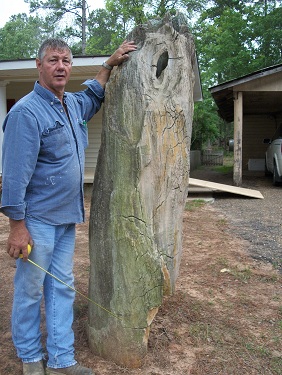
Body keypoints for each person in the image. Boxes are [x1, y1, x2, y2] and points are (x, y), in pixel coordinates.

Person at [0, 38, 137, 375]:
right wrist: (17, 226)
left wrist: (108, 64)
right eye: (53, 60)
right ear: (39, 65)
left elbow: (92, 94)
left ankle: (62, 361)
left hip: (66, 218)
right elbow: (15, 176)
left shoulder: (73, 104)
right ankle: (31, 359)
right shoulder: (25, 113)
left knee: (62, 287)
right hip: (37, 221)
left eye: (65, 61)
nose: (60, 67)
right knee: (31, 290)